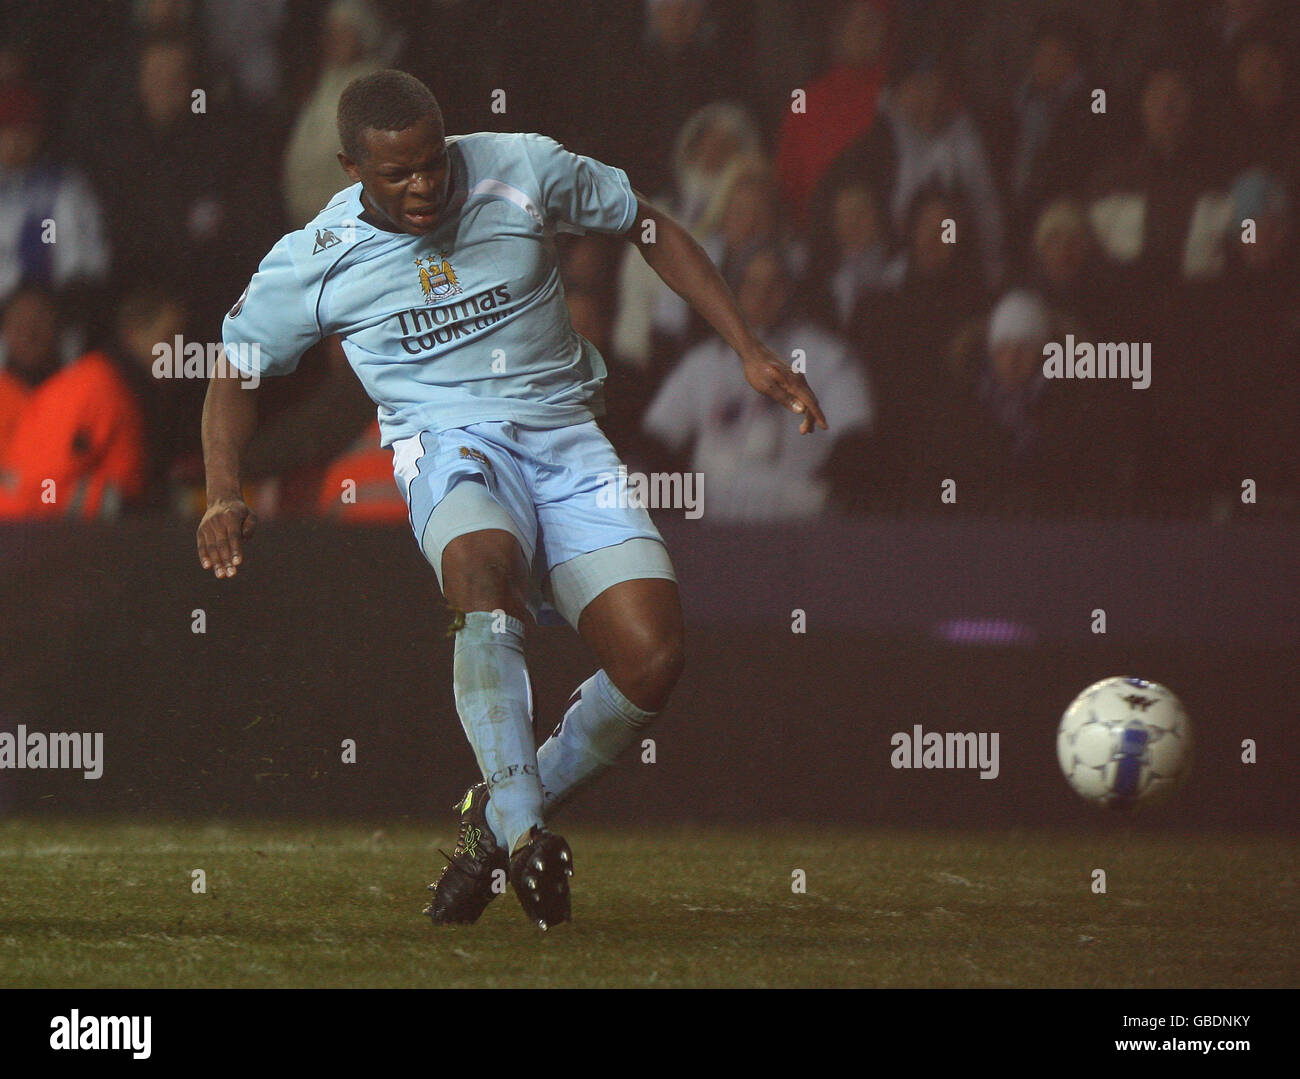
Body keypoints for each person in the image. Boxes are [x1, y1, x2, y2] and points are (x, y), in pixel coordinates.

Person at [195, 70, 825, 931]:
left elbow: (646, 223)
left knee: (652, 658)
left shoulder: (523, 169)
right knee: (480, 567)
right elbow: (233, 370)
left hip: (566, 438)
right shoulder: (315, 259)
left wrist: (748, 347)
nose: (423, 186)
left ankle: (489, 826)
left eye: (432, 163)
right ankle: (528, 835)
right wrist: (221, 492)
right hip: (447, 445)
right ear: (351, 168)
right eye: (397, 174)